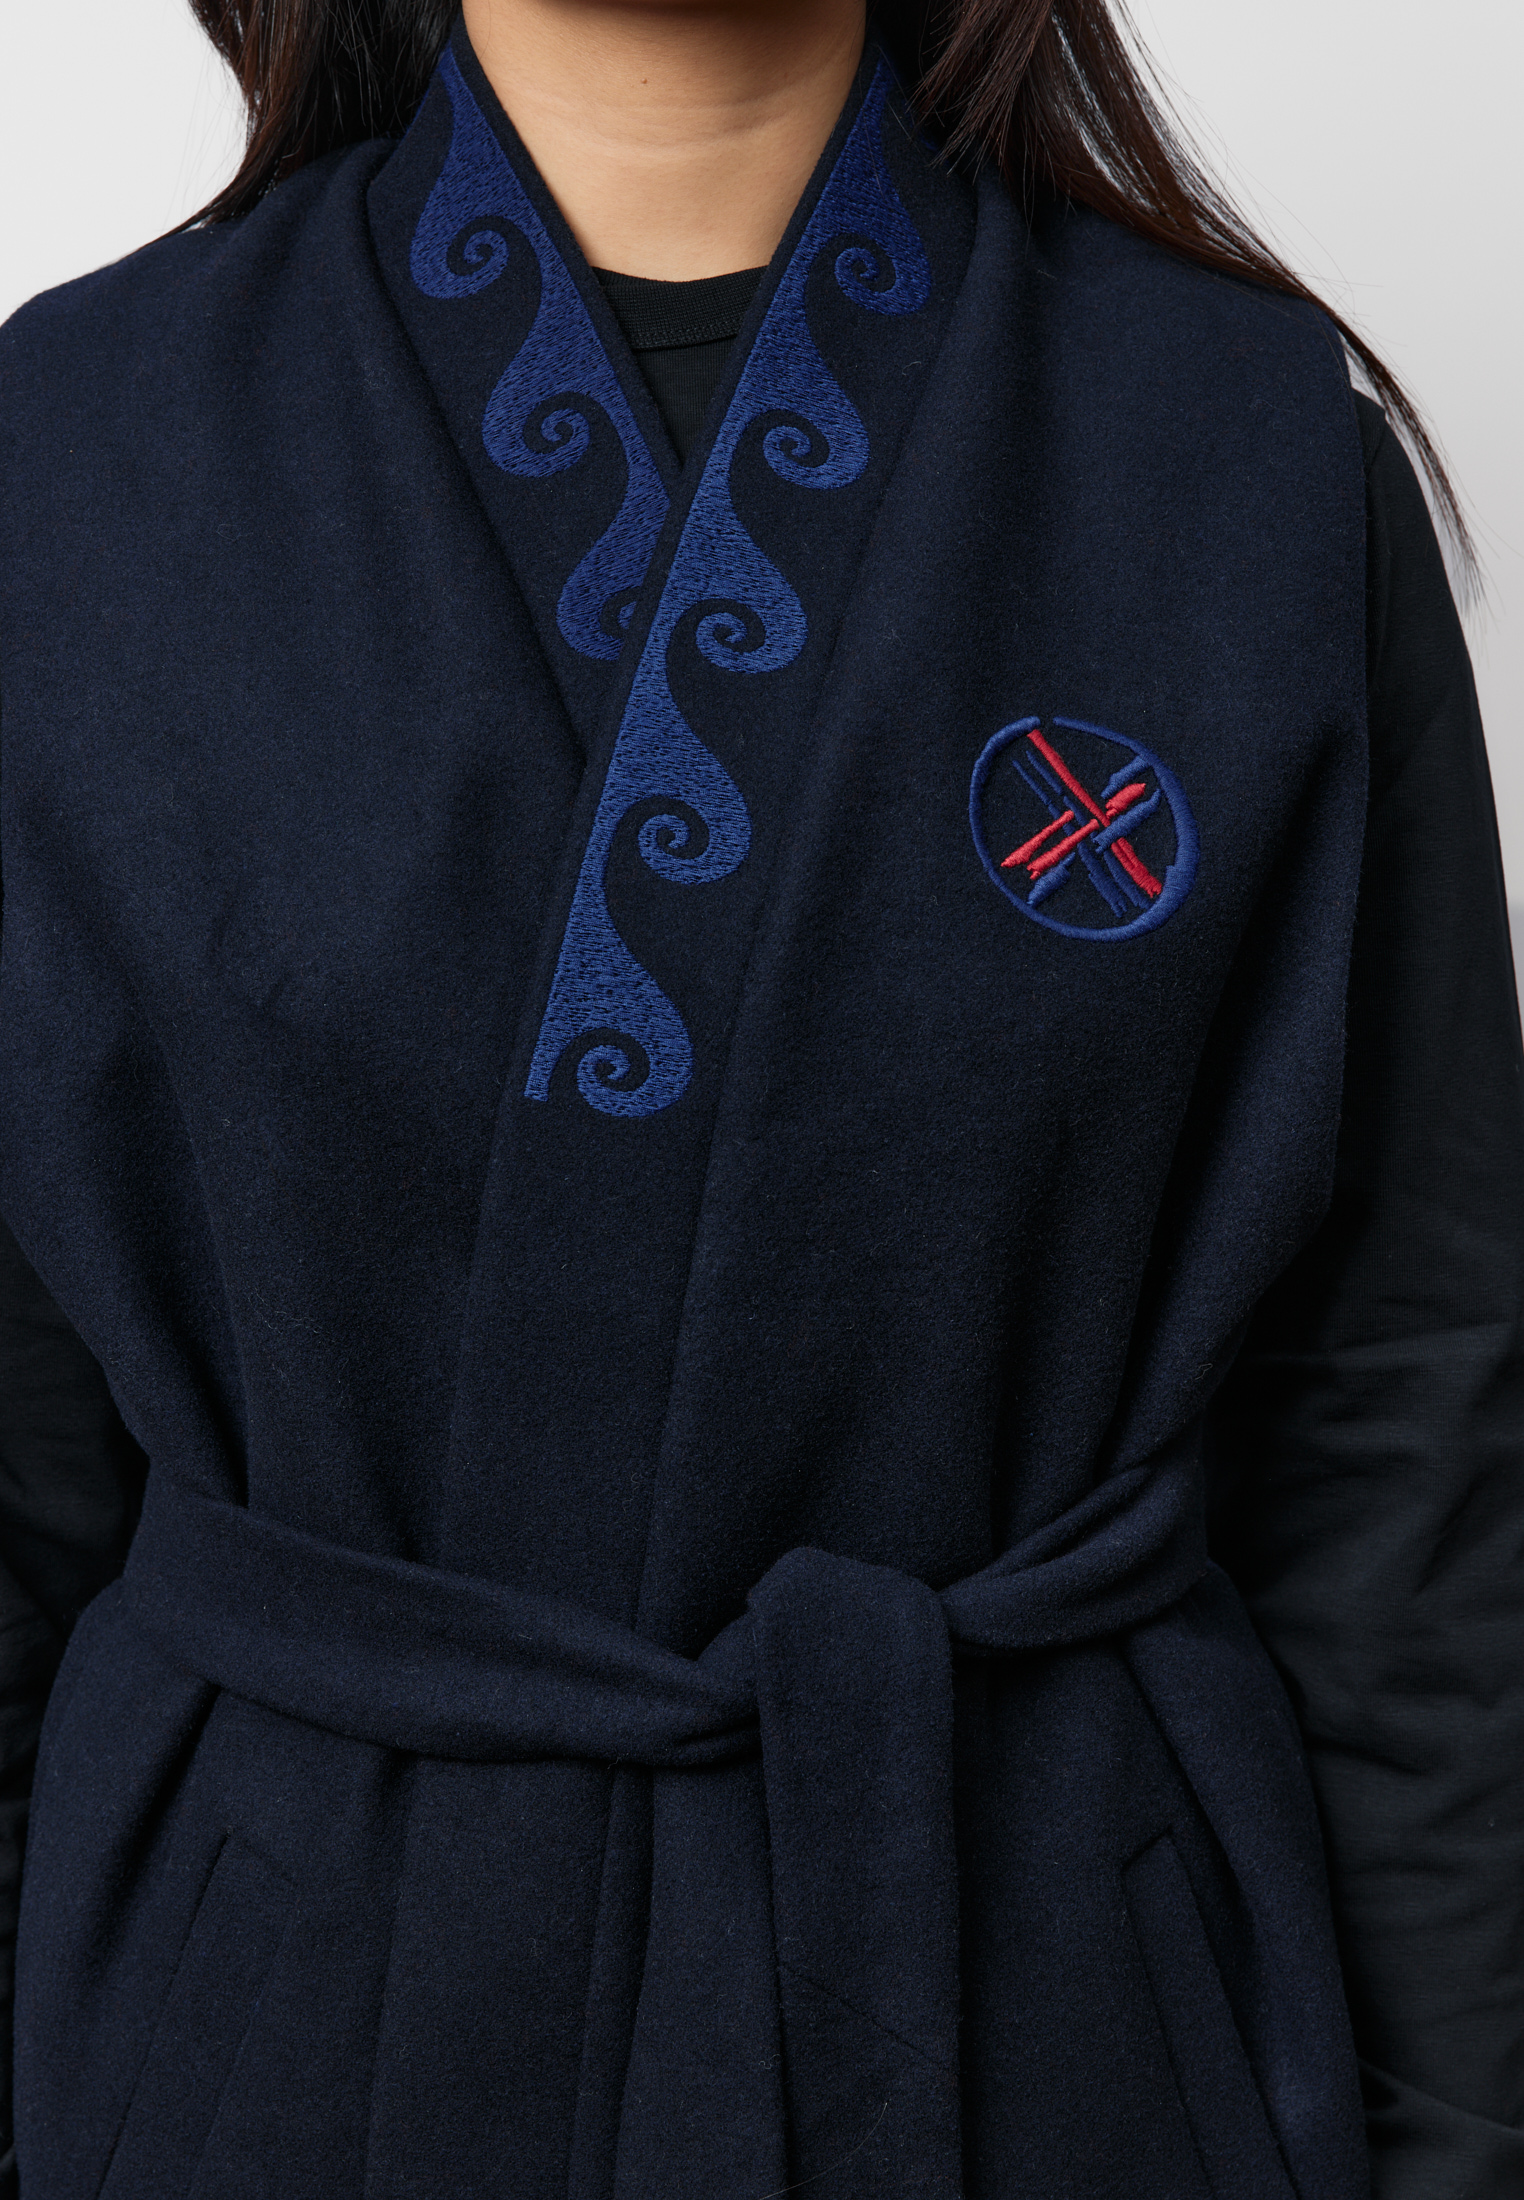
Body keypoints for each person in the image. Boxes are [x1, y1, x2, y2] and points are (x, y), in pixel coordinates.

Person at [0, 0, 1519, 2191]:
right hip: (276, 2034)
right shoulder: (74, 456)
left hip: (1066, 2021)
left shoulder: (1252, 459)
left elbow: (1409, 1445)